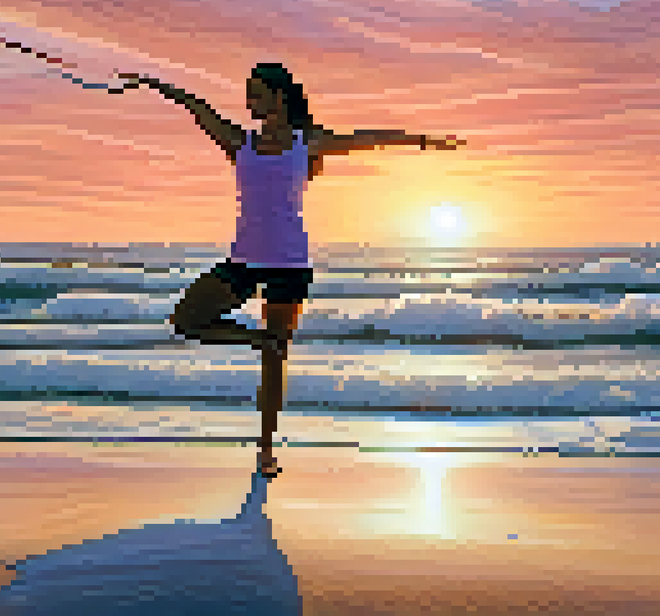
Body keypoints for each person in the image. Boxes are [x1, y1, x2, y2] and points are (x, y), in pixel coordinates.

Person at [118, 64, 464, 478]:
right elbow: (197, 107)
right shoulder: (239, 141)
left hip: (289, 264)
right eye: (248, 94)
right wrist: (152, 84)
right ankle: (261, 339)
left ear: (278, 98)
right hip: (243, 261)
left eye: (256, 93)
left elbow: (369, 140)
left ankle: (265, 451)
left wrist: (424, 141)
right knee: (186, 320)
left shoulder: (307, 143)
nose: (249, 102)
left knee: (273, 364)